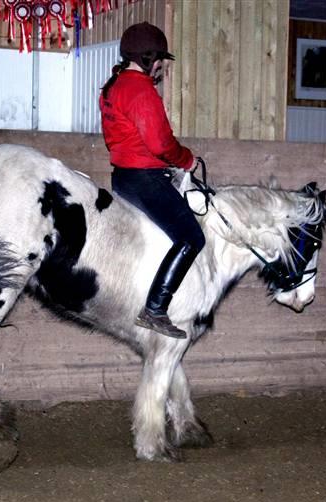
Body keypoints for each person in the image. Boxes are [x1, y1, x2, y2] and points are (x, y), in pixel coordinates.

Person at [99, 22, 204, 340]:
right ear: (148, 58)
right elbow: (161, 144)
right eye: (159, 59)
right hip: (145, 180)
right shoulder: (141, 90)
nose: (160, 66)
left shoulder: (113, 86)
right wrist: (187, 159)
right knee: (191, 238)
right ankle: (156, 308)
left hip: (123, 179)